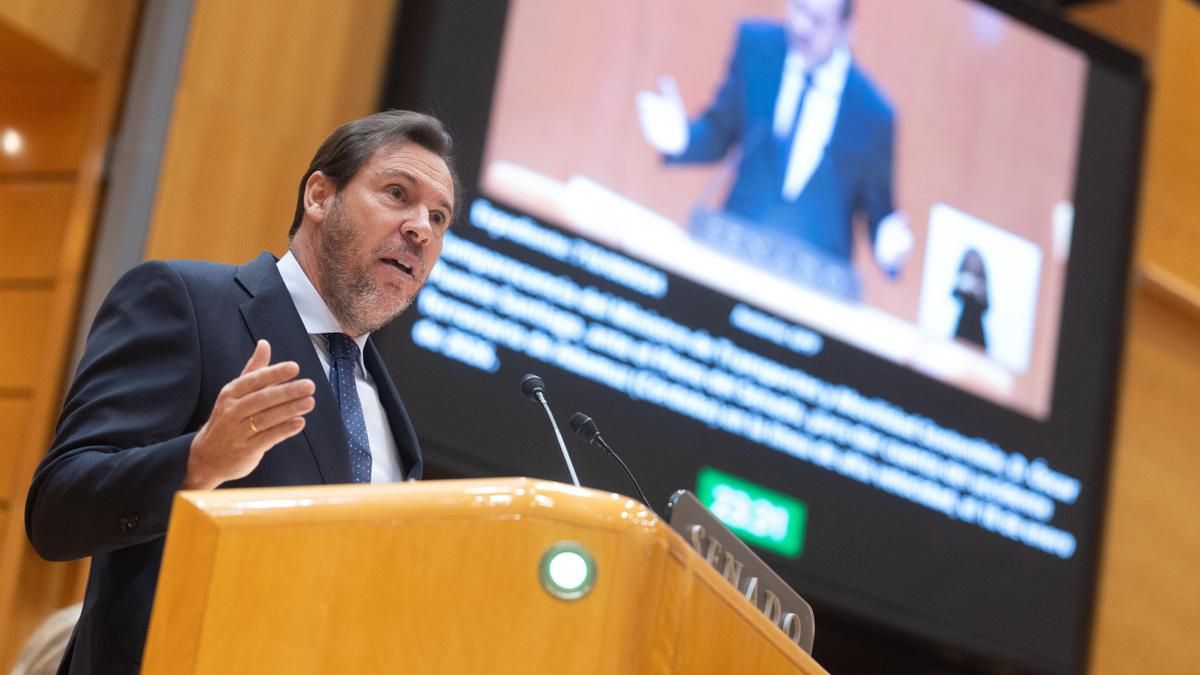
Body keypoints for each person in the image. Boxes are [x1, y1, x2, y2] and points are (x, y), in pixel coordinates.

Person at [24, 110, 458, 674]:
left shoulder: (386, 408)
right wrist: (196, 463)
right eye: (397, 193)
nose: (421, 228)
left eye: (439, 217)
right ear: (320, 197)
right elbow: (58, 510)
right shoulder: (188, 303)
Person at [636, 0, 913, 287]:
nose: (803, 27)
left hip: (815, 291)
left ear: (846, 29)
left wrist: (889, 248)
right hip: (731, 262)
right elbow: (720, 132)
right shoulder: (757, 48)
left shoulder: (873, 114)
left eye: (818, 21)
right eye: (798, 9)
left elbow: (880, 215)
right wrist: (681, 138)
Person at [952, 247, 989, 350]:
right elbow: (954, 294)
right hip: (963, 327)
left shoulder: (982, 285)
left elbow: (987, 307)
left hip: (977, 331)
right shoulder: (963, 280)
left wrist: (978, 293)